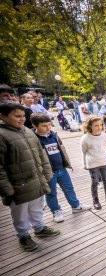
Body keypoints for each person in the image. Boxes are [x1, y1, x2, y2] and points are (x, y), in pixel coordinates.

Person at [0, 101, 60, 252]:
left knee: (37, 206)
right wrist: (6, 188)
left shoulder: (27, 131)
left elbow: (41, 153)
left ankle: (39, 228)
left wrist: (46, 172)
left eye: (22, 116)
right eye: (17, 116)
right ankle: (23, 235)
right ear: (2, 116)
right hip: (17, 185)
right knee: (20, 213)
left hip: (36, 179)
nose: (21, 119)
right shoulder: (2, 135)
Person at [31, 113, 91, 223]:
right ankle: (56, 210)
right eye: (44, 126)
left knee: (69, 188)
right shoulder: (33, 140)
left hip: (61, 168)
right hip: (47, 172)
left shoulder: (53, 135)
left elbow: (61, 149)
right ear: (35, 126)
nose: (48, 128)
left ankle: (76, 206)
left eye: (49, 124)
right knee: (51, 192)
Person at [81, 116, 106, 210]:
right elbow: (84, 152)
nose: (99, 127)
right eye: (96, 125)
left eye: (101, 125)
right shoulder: (85, 138)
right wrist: (85, 164)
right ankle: (95, 200)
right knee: (95, 182)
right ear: (90, 126)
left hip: (104, 161)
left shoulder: (105, 136)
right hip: (92, 164)